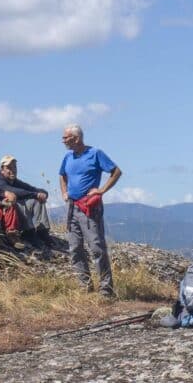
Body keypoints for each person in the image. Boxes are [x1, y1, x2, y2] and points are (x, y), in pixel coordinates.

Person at [59, 124, 122, 297]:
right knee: (75, 248)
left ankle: (106, 290)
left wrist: (101, 190)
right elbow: (62, 175)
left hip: (89, 207)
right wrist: (64, 192)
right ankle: (84, 287)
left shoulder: (95, 154)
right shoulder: (67, 157)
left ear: (76, 138)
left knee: (96, 248)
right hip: (72, 207)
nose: (63, 140)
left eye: (66, 137)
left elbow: (116, 171)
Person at [0, 155, 53, 248]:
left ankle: (42, 231)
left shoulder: (15, 181)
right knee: (14, 201)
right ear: (2, 170)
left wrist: (43, 193)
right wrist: (36, 194)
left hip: (18, 216)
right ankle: (28, 232)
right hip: (4, 220)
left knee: (36, 201)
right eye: (9, 168)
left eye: (14, 167)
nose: (13, 170)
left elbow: (31, 189)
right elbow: (15, 191)